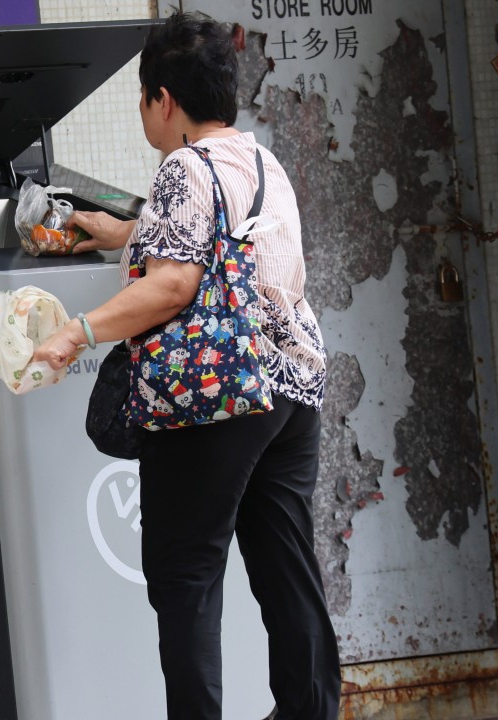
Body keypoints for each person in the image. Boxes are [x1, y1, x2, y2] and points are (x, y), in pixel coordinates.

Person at [32, 11, 341, 720]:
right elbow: (230, 243)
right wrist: (125, 231)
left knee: (187, 578)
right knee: (288, 571)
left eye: (143, 99)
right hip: (290, 389)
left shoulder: (183, 165)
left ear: (162, 100)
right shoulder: (263, 162)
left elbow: (174, 283)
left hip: (216, 397)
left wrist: (77, 332)